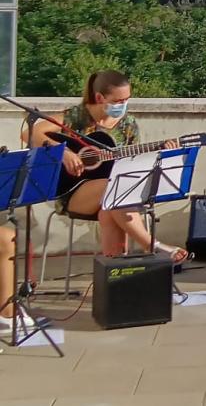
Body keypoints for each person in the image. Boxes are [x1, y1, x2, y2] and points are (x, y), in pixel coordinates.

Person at [27, 70, 187, 262]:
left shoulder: (128, 124)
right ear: (100, 97)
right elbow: (33, 133)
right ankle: (152, 246)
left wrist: (163, 150)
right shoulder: (77, 116)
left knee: (109, 209)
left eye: (127, 99)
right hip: (72, 190)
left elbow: (131, 164)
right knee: (113, 189)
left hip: (114, 197)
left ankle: (114, 279)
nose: (123, 105)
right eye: (118, 101)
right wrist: (64, 153)